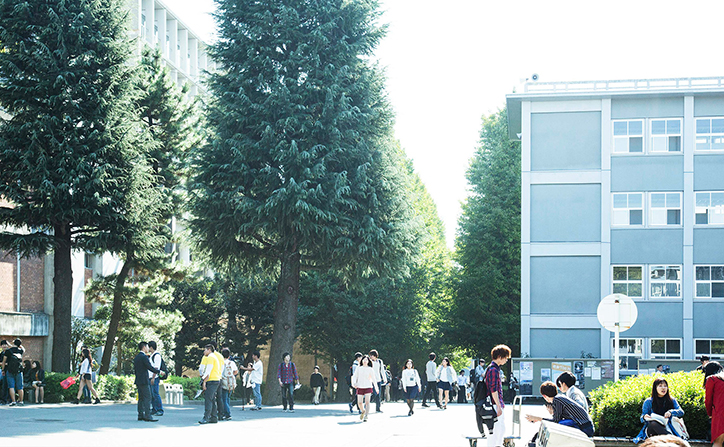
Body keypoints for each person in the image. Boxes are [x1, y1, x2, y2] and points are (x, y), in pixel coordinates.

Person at [525, 381, 594, 437]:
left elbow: (555, 422)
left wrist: (538, 418)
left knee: (554, 428)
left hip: (584, 428)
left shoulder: (557, 400)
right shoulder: (559, 398)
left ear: (544, 396)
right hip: (586, 426)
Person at [634, 377, 685, 442]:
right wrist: (644, 417)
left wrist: (671, 412)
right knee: (653, 423)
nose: (663, 388)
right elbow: (642, 417)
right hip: (652, 429)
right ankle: (672, 440)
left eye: (665, 386)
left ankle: (670, 439)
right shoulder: (648, 401)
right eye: (660, 386)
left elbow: (681, 412)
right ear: (655, 388)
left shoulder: (672, 400)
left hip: (667, 427)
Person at [485, 344, 512, 447]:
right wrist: (498, 406)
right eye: (506, 357)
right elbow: (493, 390)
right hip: (494, 404)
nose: (506, 360)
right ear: (500, 357)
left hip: (494, 404)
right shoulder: (494, 370)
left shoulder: (492, 368)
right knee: (496, 431)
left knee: (499, 430)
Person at [133, 341, 160, 422]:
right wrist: (159, 372)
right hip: (144, 380)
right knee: (148, 397)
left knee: (141, 398)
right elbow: (150, 367)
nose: (148, 349)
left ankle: (140, 415)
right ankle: (148, 415)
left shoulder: (137, 357)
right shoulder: (144, 357)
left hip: (138, 380)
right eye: (147, 347)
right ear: (144, 347)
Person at [198, 343, 222, 424]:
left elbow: (208, 371)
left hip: (212, 380)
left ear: (209, 350)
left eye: (205, 350)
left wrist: (203, 381)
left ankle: (206, 417)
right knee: (212, 399)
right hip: (216, 379)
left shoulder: (210, 357)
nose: (204, 352)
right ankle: (214, 417)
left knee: (208, 399)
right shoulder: (214, 356)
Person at [352, 354, 377, 422]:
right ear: (362, 361)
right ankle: (363, 411)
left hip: (368, 386)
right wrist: (354, 383)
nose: (365, 361)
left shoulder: (370, 369)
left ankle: (366, 416)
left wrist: (376, 388)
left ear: (368, 361)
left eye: (366, 360)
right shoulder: (358, 368)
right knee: (359, 402)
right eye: (364, 359)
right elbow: (355, 376)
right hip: (360, 386)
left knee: (367, 402)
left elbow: (374, 379)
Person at [705, 361, 724, 447]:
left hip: (720, 413)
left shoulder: (712, 379)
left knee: (718, 442)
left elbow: (708, 400)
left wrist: (710, 414)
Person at [1, 338, 25, 406]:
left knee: (11, 386)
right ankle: (21, 401)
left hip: (10, 370)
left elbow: (4, 361)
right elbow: (23, 348)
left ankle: (13, 401)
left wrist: (3, 370)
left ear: (14, 343)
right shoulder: (21, 350)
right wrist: (19, 345)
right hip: (19, 371)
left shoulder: (8, 351)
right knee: (20, 387)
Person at [219, 347, 238, 421]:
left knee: (224, 399)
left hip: (223, 382)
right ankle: (226, 411)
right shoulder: (231, 363)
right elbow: (236, 371)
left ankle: (227, 414)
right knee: (227, 398)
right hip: (230, 382)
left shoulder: (221, 363)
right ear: (229, 356)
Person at [147, 341, 164, 416]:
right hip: (150, 377)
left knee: (155, 394)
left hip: (155, 377)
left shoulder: (156, 356)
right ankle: (154, 409)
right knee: (152, 394)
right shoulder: (151, 355)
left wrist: (153, 378)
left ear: (151, 347)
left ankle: (160, 409)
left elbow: (156, 368)